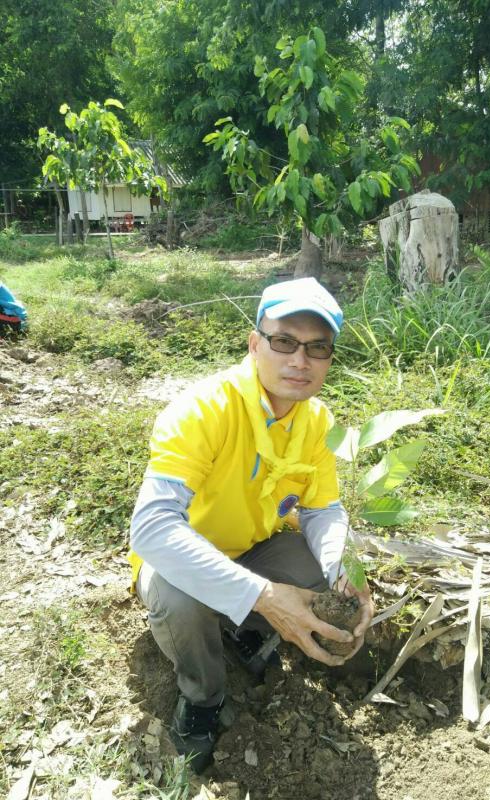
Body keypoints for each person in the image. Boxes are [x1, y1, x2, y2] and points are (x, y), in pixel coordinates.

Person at [128, 277, 374, 772]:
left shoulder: (316, 421)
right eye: (284, 342)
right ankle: (202, 697)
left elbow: (322, 511)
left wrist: (344, 569)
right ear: (255, 344)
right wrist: (263, 596)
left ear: (329, 359)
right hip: (180, 561)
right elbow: (153, 529)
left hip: (252, 549)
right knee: (180, 600)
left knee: (325, 577)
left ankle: (236, 623)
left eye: (317, 347)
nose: (300, 360)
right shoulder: (203, 410)